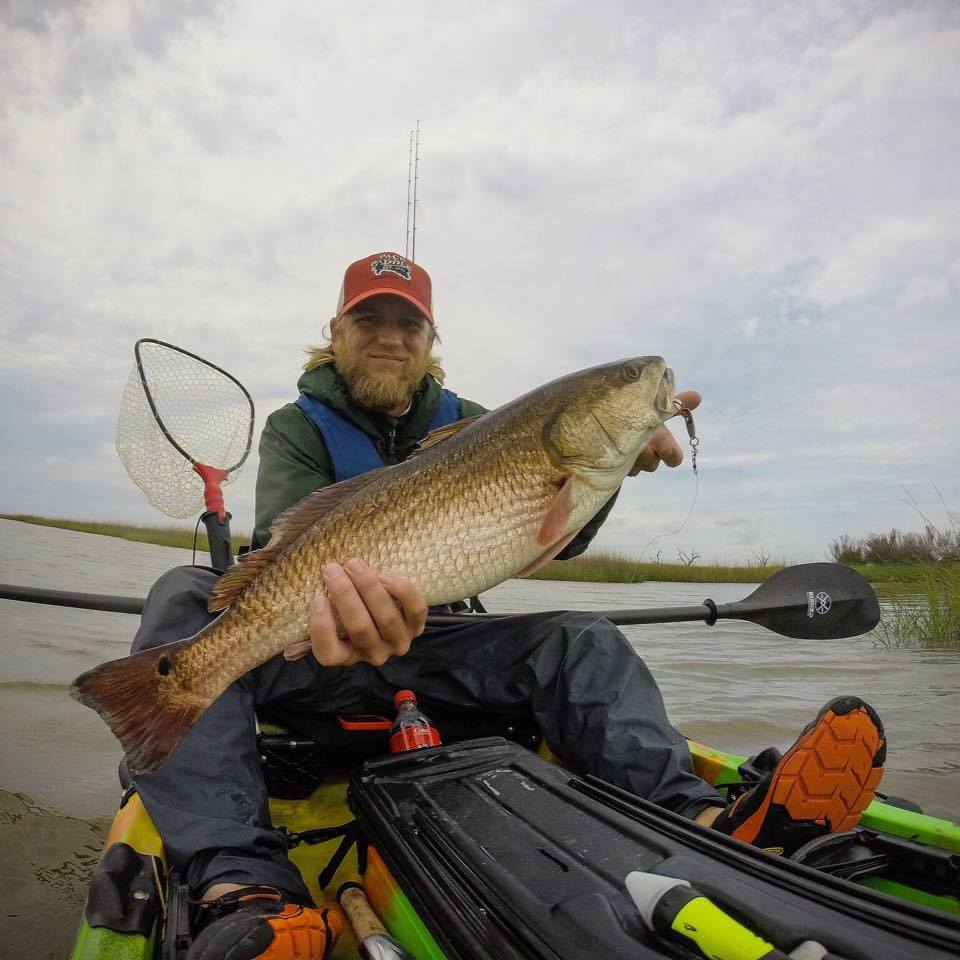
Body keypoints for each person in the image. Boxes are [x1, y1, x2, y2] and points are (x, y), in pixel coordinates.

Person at [131, 252, 886, 960]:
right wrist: (325, 604)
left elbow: (557, 538)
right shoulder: (296, 426)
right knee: (183, 596)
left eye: (409, 325)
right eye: (370, 322)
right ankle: (247, 890)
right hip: (321, 653)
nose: (390, 338)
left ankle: (710, 822)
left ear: (431, 340)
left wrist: (615, 465)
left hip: (445, 647)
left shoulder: (487, 421)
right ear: (336, 334)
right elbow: (282, 543)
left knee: (581, 640)